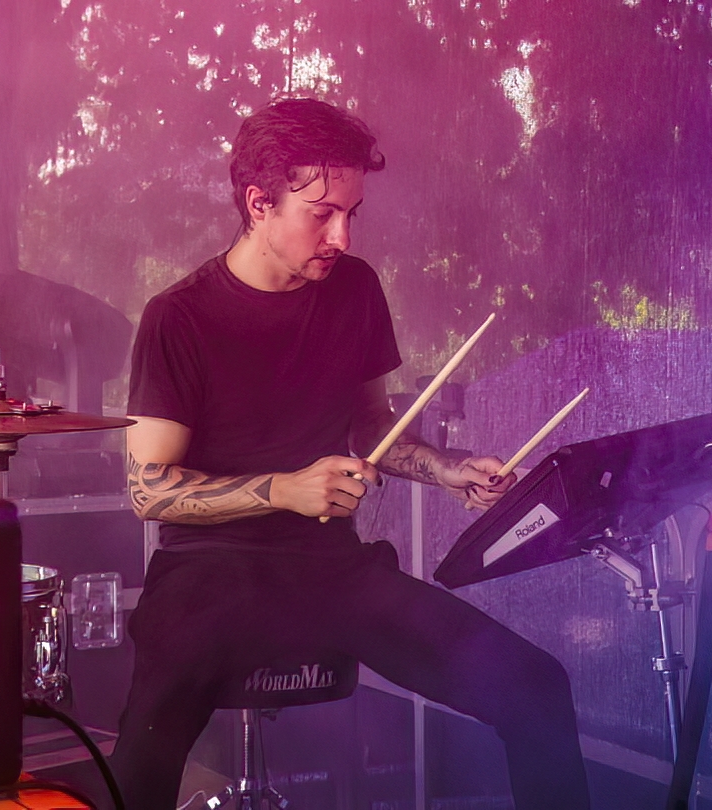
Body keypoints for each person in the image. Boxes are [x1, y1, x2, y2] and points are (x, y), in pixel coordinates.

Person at [111, 97, 591, 810]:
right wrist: (284, 488)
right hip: (209, 571)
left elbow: (370, 427)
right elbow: (148, 489)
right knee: (141, 762)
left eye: (351, 213)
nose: (341, 235)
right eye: (322, 213)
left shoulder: (354, 289)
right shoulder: (178, 317)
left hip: (330, 567)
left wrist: (446, 469)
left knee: (536, 686)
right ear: (259, 204)